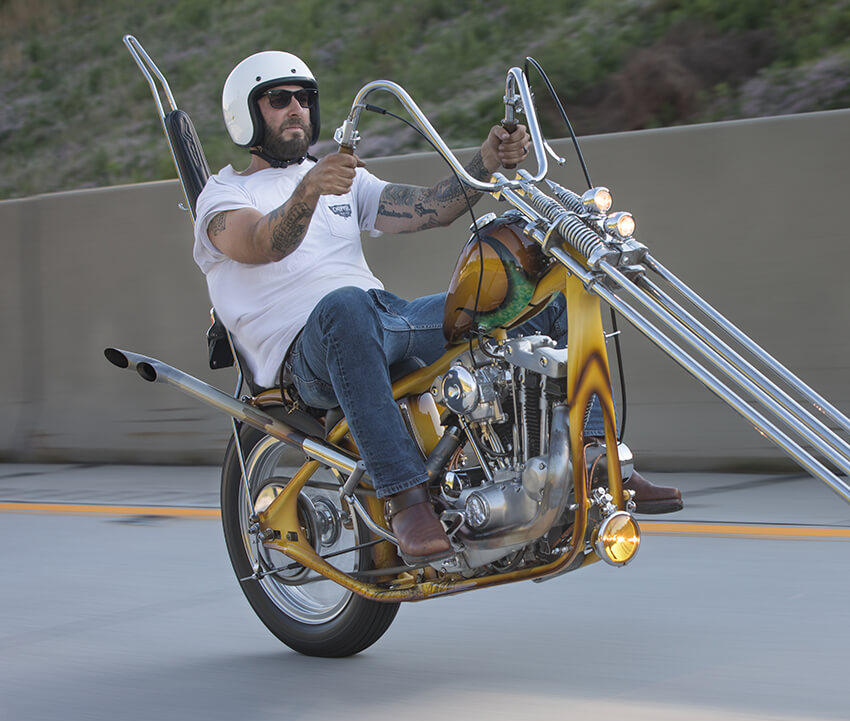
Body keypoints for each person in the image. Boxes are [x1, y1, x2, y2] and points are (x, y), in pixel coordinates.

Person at [192, 51, 682, 563]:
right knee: (344, 307)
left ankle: (594, 461)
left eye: (304, 98)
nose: (295, 109)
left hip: (382, 318)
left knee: (541, 292)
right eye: (278, 99)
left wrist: (487, 160)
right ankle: (405, 498)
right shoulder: (223, 196)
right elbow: (264, 243)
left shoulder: (340, 179)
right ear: (246, 114)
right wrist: (309, 191)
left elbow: (429, 207)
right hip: (303, 354)